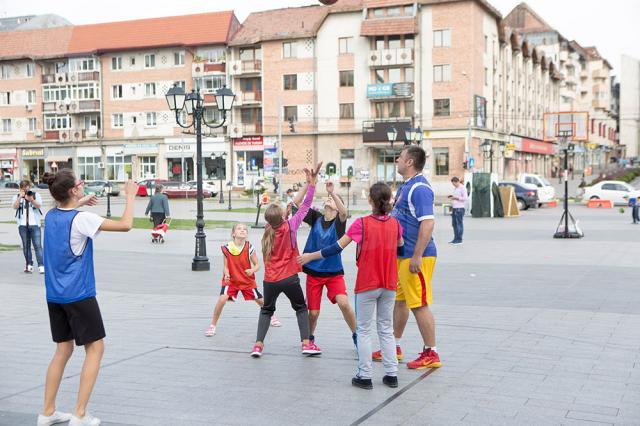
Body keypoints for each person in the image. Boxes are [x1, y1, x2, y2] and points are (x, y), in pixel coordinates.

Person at [37, 170, 137, 426]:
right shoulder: (83, 220)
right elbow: (126, 225)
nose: (83, 185)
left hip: (55, 295)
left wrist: (81, 202)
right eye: (80, 184)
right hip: (79, 295)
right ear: (73, 190)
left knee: (63, 349)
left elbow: (67, 211)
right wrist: (130, 197)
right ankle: (80, 414)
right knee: (96, 348)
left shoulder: (51, 216)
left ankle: (47, 413)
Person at [298, 182, 403, 390]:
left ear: (370, 201)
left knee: (363, 330)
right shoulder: (396, 224)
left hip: (368, 282)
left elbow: (336, 247)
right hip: (390, 282)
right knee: (386, 329)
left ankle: (365, 376)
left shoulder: (361, 224)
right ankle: (392, 375)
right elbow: (400, 249)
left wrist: (311, 256)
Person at [372, 146, 442, 370]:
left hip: (415, 256)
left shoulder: (420, 188)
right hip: (403, 255)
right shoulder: (407, 186)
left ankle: (431, 352)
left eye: (400, 158)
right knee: (400, 301)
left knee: (419, 303)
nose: (397, 161)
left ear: (410, 162)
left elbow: (428, 223)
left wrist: (417, 256)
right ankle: (393, 346)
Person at [250, 163, 323, 358]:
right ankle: (306, 343)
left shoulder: (267, 229)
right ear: (283, 216)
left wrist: (306, 184)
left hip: (270, 280)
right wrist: (312, 184)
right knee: (300, 308)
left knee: (266, 310)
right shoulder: (290, 226)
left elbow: (286, 211)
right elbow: (306, 205)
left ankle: (258, 346)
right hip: (289, 277)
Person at [294, 180, 357, 349]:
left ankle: (357, 335)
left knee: (344, 303)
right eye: (328, 198)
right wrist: (307, 184)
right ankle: (309, 338)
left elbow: (344, 213)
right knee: (313, 313)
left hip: (333, 273)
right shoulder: (315, 218)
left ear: (337, 206)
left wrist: (333, 192)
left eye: (332, 200)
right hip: (314, 274)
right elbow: (298, 204)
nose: (328, 199)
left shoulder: (339, 223)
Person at [205, 223, 281, 336]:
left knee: (260, 300)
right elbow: (225, 266)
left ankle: (272, 315)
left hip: (246, 280)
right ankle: (212, 325)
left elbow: (257, 265)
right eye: (239, 229)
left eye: (245, 229)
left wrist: (252, 270)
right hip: (231, 280)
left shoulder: (249, 247)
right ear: (233, 233)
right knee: (222, 299)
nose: (242, 230)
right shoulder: (227, 248)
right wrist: (226, 274)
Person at [12, 180, 44, 273]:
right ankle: (29, 264)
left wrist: (31, 200)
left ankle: (41, 265)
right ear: (20, 188)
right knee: (26, 246)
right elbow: (14, 206)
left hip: (35, 224)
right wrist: (20, 198)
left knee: (38, 246)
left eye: (27, 186)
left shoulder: (35, 195)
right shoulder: (17, 196)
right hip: (22, 225)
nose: (25, 188)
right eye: (23, 187)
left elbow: (39, 206)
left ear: (29, 186)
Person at [448, 176, 467, 245]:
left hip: (460, 208)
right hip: (455, 207)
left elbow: (465, 198)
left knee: (459, 224)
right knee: (454, 224)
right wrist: (452, 197)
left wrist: (455, 198)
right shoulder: (456, 188)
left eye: (454, 183)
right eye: (453, 184)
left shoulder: (462, 188)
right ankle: (455, 239)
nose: (453, 185)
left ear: (457, 182)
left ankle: (459, 240)